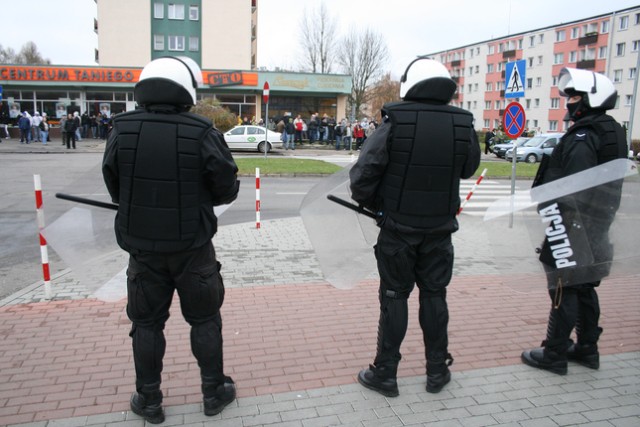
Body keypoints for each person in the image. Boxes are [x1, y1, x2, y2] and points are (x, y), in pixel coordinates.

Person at [102, 56, 240, 424]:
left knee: (146, 324)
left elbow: (113, 184)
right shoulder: (203, 131)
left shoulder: (121, 128)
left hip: (143, 250)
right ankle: (214, 392)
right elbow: (226, 188)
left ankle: (149, 400)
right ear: (185, 88)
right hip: (193, 249)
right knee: (205, 319)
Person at [350, 58, 480, 397]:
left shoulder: (395, 119)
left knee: (395, 297)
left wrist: (376, 206)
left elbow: (363, 176)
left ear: (411, 84)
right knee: (435, 296)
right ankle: (437, 371)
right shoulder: (463, 122)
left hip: (398, 230)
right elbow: (468, 168)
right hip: (439, 232)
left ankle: (386, 374)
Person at [521, 68, 627, 375]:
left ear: (592, 98)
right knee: (584, 288)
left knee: (564, 287)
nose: (570, 103)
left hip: (573, 226)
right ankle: (587, 348)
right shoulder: (610, 130)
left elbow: (575, 187)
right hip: (596, 225)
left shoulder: (584, 134)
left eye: (576, 96)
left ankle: (554, 353)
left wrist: (561, 220)